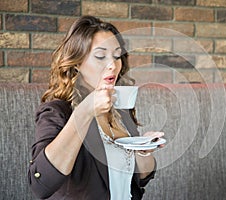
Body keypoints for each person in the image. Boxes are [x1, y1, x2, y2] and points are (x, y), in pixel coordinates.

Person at [28, 15, 164, 200]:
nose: (113, 65)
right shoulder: (56, 112)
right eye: (100, 56)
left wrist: (142, 150)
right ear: (77, 63)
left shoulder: (119, 111)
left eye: (117, 56)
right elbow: (40, 185)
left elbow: (138, 180)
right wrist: (85, 111)